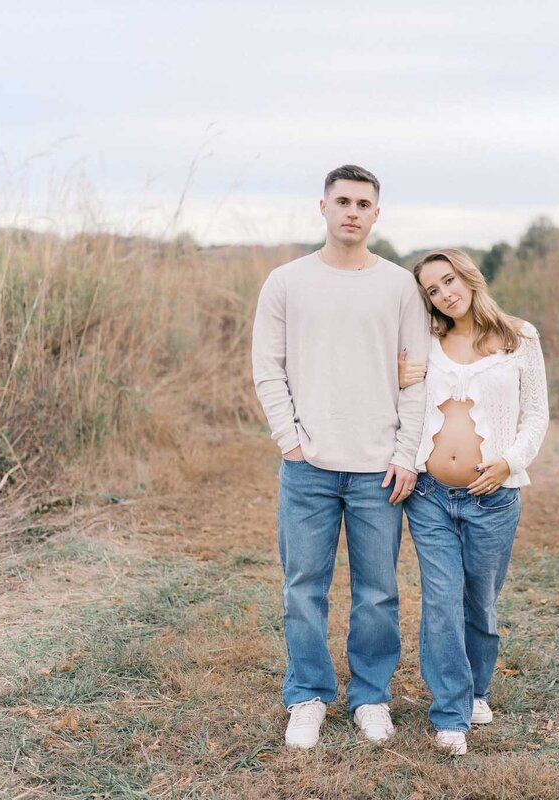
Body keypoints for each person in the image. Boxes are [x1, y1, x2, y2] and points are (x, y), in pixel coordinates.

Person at [251, 165, 430, 749]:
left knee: (377, 589)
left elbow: (415, 378)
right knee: (303, 585)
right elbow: (268, 369)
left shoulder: (400, 286)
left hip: (380, 465)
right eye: (342, 201)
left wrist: (406, 453)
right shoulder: (286, 281)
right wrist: (290, 440)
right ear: (323, 207)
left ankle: (371, 696)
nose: (352, 211)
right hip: (308, 465)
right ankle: (306, 695)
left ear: (377, 214)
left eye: (363, 203)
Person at [397, 248, 549, 755]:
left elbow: (536, 415)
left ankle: (477, 689)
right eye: (433, 290)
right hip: (430, 496)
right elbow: (404, 399)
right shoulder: (427, 341)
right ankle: (450, 716)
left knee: (479, 604)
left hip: (494, 498)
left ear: (469, 275)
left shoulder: (519, 338)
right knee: (440, 602)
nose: (445, 294)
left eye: (448, 280)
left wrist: (509, 462)